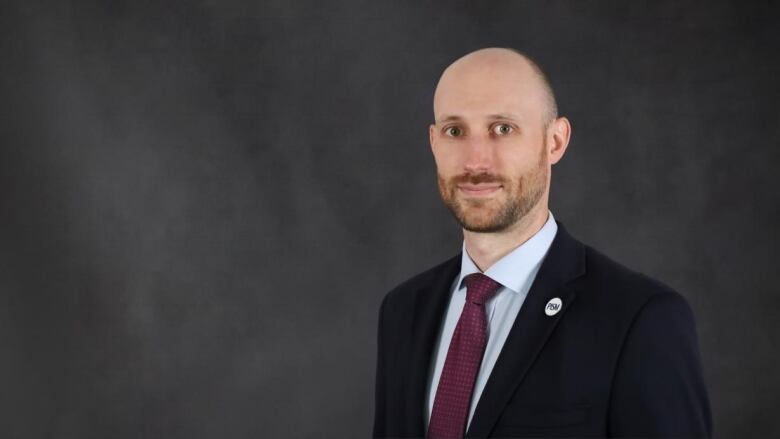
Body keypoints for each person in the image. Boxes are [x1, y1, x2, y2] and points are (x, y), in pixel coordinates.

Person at [372, 47, 712, 438]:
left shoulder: (641, 319)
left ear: (555, 142)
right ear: (434, 143)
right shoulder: (402, 311)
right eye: (455, 131)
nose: (476, 161)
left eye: (503, 128)